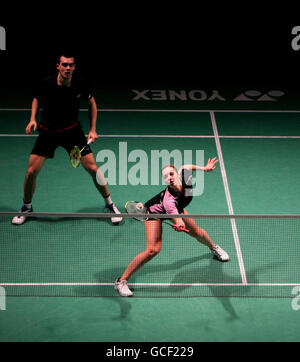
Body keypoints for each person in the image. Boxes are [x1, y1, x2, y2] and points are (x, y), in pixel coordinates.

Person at [12, 53, 122, 225]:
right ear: (58, 66)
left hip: (72, 132)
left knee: (93, 168)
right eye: (64, 65)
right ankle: (27, 207)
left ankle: (110, 204)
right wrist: (32, 119)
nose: (68, 68)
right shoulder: (47, 82)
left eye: (71, 65)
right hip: (48, 132)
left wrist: (93, 129)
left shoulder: (80, 83)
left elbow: (92, 103)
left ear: (74, 67)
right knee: (31, 171)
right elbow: (36, 98)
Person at [114, 157, 229, 297]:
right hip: (154, 214)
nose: (170, 177)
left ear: (177, 174)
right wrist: (179, 224)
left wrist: (204, 168)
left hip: (176, 208)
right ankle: (121, 281)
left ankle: (213, 248)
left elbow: (186, 166)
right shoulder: (169, 200)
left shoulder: (185, 179)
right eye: (165, 176)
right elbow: (177, 218)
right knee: (152, 250)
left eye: (172, 173)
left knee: (197, 232)